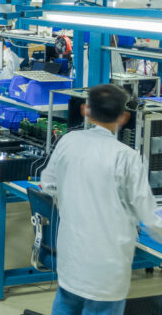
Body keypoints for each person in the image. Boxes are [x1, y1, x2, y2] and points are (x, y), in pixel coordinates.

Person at [41, 84, 162, 315]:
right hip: (107, 265)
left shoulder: (68, 141)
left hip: (71, 257)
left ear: (86, 110)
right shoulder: (127, 157)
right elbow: (149, 214)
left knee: (66, 305)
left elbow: (48, 184)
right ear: (124, 117)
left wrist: (75, 195)